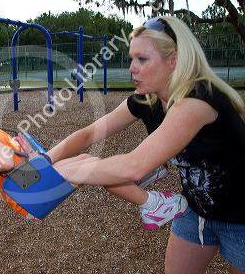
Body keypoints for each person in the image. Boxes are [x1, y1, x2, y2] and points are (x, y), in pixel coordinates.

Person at [48, 16, 245, 273]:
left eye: (142, 59)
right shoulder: (147, 99)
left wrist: (63, 172)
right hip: (195, 210)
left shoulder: (197, 100)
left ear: (174, 60)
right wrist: (43, 160)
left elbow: (134, 167)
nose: (132, 67)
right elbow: (88, 134)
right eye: (132, 58)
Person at [0, 59, 185, 227]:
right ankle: (151, 205)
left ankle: (137, 182)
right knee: (88, 168)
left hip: (30, 180)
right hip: (29, 195)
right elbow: (4, 162)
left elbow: (10, 155)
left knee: (87, 161)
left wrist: (21, 148)